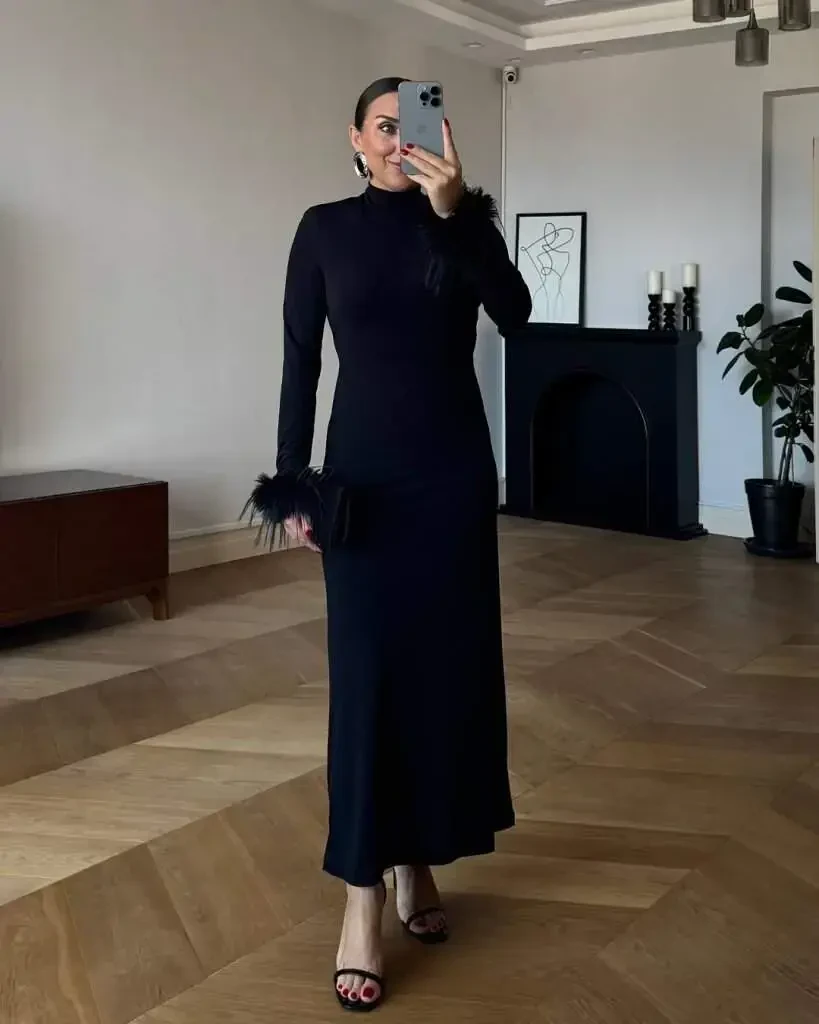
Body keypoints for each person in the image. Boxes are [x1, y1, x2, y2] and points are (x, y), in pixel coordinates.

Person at [273, 77, 532, 1012]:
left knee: (442, 674)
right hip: (363, 486)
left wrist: (456, 213)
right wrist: (291, 479)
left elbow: (517, 312)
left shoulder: (460, 223)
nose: (398, 141)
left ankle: (418, 863)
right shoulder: (323, 230)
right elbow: (301, 359)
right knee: (368, 680)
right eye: (384, 127)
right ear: (355, 137)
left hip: (451, 479)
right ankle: (361, 896)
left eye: (414, 126)